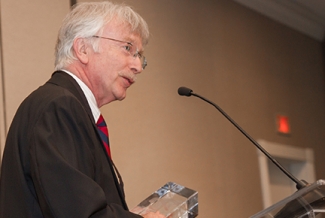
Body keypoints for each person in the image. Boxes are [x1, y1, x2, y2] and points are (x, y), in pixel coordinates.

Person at [0, 2, 165, 218]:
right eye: (128, 48)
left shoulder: (67, 107)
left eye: (140, 56)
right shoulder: (58, 108)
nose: (137, 66)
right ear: (83, 49)